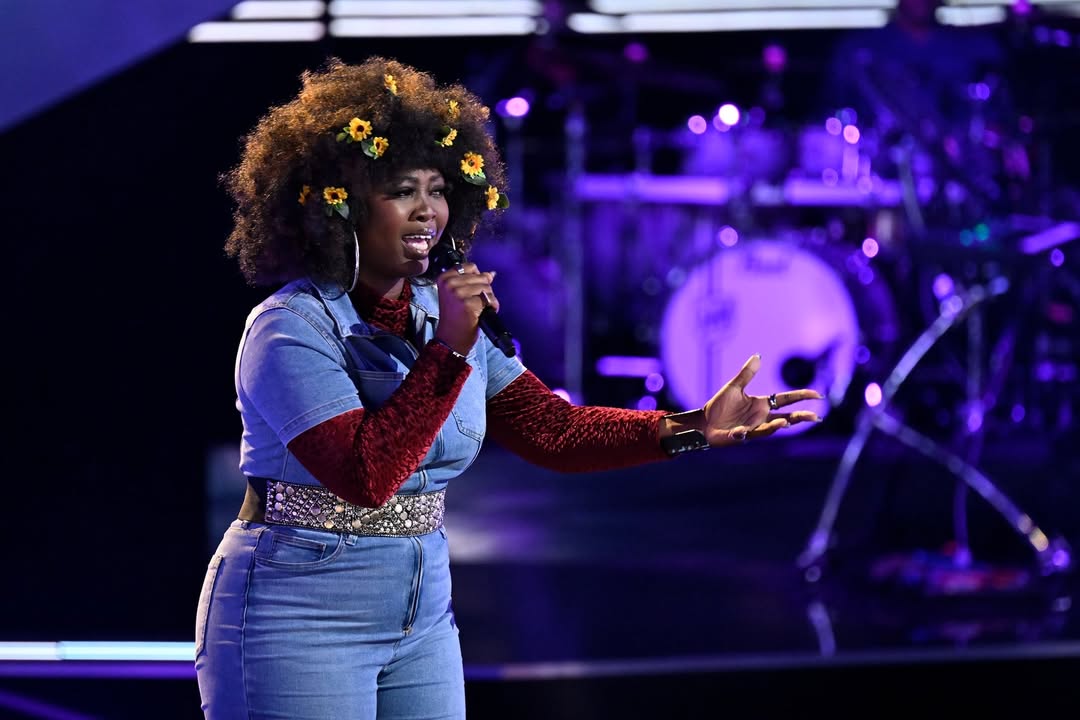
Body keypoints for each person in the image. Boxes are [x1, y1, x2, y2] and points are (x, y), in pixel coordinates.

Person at [194, 56, 823, 719]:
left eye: (437, 190)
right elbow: (365, 472)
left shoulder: (442, 316)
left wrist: (691, 426)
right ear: (339, 206)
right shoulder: (290, 327)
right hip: (295, 609)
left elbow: (553, 431)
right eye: (401, 189)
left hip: (421, 611)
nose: (426, 211)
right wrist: (450, 349)